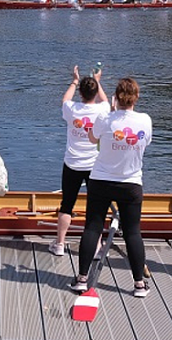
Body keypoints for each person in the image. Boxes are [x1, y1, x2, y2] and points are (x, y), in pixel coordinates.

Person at [71, 78, 152, 298]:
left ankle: (81, 280)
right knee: (133, 232)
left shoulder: (104, 118)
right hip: (130, 183)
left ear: (116, 98)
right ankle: (138, 285)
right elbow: (146, 143)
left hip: (101, 181)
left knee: (93, 228)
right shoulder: (145, 120)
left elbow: (91, 138)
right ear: (136, 98)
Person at [49, 65, 109, 256]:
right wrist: (98, 81)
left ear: (81, 93)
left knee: (67, 203)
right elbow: (105, 100)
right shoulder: (102, 110)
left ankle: (59, 244)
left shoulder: (71, 109)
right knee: (96, 207)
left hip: (72, 163)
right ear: (94, 93)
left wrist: (74, 80)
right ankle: (97, 246)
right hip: (94, 166)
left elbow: (65, 99)